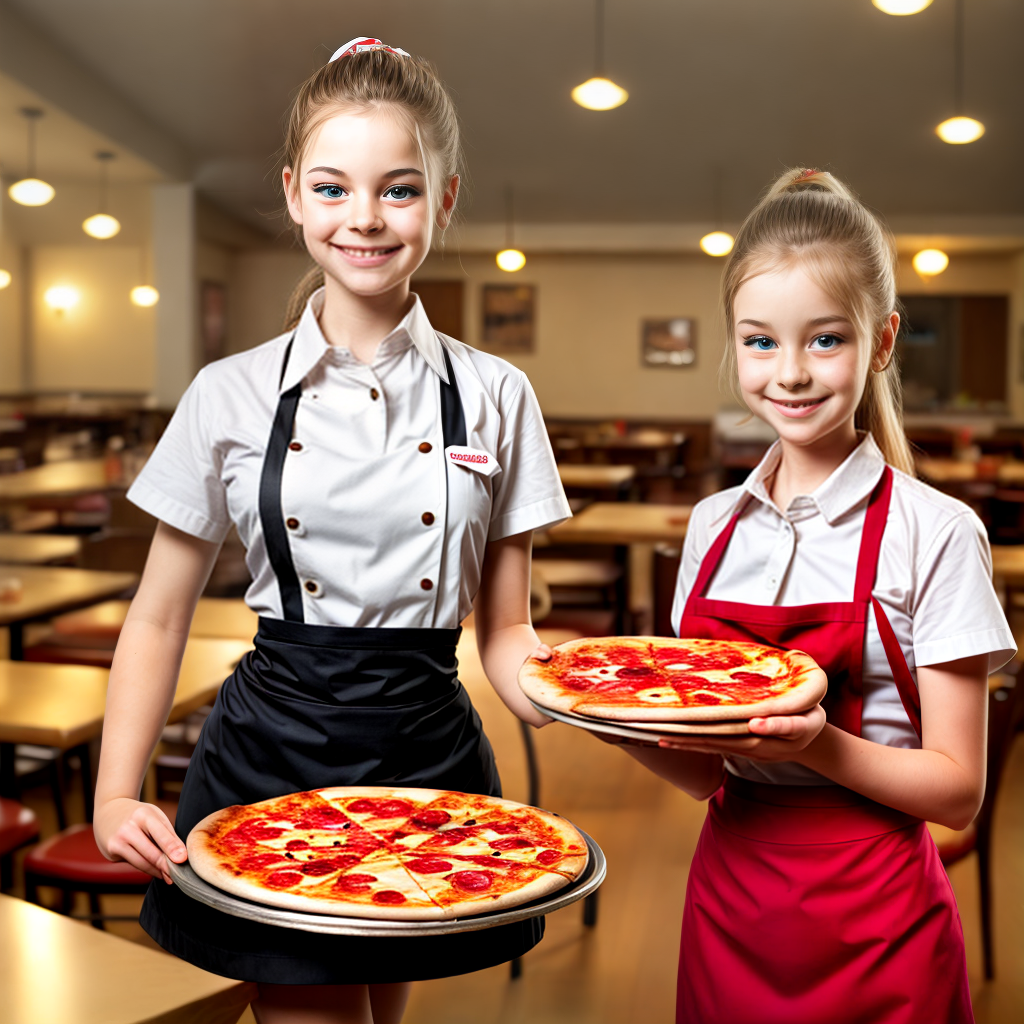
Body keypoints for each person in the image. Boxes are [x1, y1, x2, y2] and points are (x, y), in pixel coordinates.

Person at [93, 37, 569, 1024]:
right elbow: (158, 615)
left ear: (443, 200)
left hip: (428, 755)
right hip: (269, 752)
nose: (365, 217)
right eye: (332, 187)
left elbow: (508, 630)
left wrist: (588, 698)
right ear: (294, 196)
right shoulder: (226, 393)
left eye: (399, 189)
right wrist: (112, 792)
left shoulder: (498, 392)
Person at [625, 168, 1013, 1024]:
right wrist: (607, 718)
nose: (791, 373)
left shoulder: (937, 532)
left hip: (880, 918)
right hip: (729, 900)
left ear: (882, 341)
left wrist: (816, 745)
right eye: (761, 342)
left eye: (826, 339)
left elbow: (958, 794)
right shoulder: (711, 526)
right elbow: (701, 774)